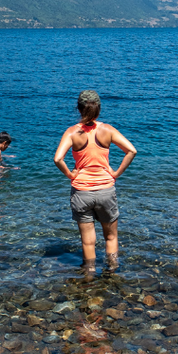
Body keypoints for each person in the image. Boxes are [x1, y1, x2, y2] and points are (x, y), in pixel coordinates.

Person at [53, 89, 136, 271]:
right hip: (105, 190)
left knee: (88, 242)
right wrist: (116, 173)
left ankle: (89, 276)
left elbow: (58, 159)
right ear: (98, 109)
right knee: (111, 237)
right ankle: (113, 272)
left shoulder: (72, 132)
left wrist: (70, 174)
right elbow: (131, 151)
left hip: (82, 191)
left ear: (79, 108)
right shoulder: (107, 130)